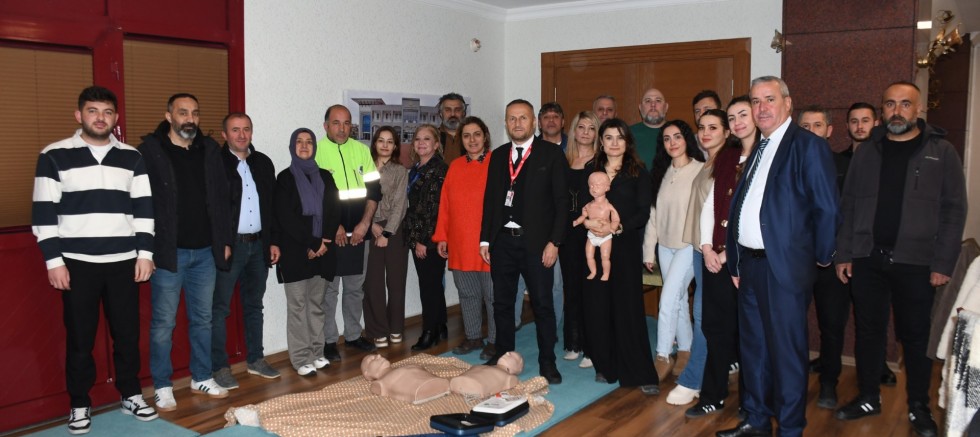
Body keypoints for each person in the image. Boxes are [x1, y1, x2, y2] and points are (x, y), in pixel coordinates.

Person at [835, 81, 967, 437]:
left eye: (905, 104)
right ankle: (868, 396)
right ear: (882, 111)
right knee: (869, 332)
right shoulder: (867, 151)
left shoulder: (942, 151)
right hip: (867, 258)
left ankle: (919, 407)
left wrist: (943, 263)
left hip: (917, 263)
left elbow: (955, 210)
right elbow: (848, 205)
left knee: (915, 336)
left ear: (918, 109)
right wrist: (844, 253)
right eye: (890, 104)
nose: (897, 111)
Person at [32, 86, 157, 434]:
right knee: (80, 339)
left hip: (123, 262)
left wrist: (145, 254)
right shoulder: (54, 155)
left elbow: (144, 209)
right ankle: (79, 403)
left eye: (107, 112)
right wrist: (53, 262)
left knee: (127, 335)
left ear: (115, 118)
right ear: (79, 115)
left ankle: (131, 395)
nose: (100, 118)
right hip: (77, 263)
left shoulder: (132, 157)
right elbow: (43, 212)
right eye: (92, 110)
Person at [719, 76, 839, 437]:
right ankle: (756, 420)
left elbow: (827, 208)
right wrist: (736, 260)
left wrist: (820, 257)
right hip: (750, 267)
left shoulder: (807, 146)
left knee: (786, 354)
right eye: (755, 101)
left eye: (769, 99)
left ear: (788, 103)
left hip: (784, 269)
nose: (761, 108)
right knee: (753, 349)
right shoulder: (759, 147)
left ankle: (789, 428)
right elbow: (744, 206)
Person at [140, 93, 233, 411]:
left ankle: (201, 376)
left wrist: (224, 240)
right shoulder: (151, 151)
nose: (190, 119)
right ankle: (162, 385)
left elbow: (221, 198)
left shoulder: (209, 150)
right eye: (183, 113)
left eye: (194, 113)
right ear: (169, 116)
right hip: (169, 252)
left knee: (203, 319)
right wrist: (146, 250)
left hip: (205, 252)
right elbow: (141, 203)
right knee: (163, 323)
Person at [480, 99, 568, 384]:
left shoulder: (551, 154)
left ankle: (547, 361)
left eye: (523, 118)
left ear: (534, 122)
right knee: (502, 303)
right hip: (503, 242)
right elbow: (491, 200)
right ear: (506, 123)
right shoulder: (498, 156)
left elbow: (562, 203)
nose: (517, 123)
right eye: (512, 118)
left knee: (542, 304)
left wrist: (554, 242)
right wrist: (485, 240)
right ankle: (504, 354)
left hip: (537, 245)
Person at [582, 118, 658, 395]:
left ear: (628, 142)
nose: (614, 143)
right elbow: (579, 206)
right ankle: (606, 364)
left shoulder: (638, 171)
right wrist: (589, 223)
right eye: (609, 137)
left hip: (624, 248)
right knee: (598, 307)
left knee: (628, 309)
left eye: (620, 137)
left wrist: (617, 227)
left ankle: (640, 372)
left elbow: (643, 212)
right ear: (601, 142)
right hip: (593, 246)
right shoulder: (591, 170)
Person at [211, 113, 281, 390]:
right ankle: (219, 366)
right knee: (219, 309)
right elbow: (213, 209)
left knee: (254, 305)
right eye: (235, 130)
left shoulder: (263, 163)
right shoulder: (215, 163)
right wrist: (221, 243)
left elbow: (272, 206)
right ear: (224, 134)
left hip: (259, 245)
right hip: (231, 247)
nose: (242, 135)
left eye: (246, 129)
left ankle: (256, 359)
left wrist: (273, 241)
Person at [684, 107, 744, 416]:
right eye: (702, 127)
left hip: (737, 256)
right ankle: (713, 394)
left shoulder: (737, 159)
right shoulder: (715, 161)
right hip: (712, 253)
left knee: (741, 329)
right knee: (713, 325)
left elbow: (742, 213)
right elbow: (709, 207)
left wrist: (724, 252)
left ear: (727, 132)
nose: (706, 133)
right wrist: (708, 249)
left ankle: (750, 404)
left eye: (714, 127)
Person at [314, 104, 382, 359]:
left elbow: (374, 192)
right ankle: (329, 341)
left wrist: (365, 223)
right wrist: (334, 226)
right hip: (331, 236)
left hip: (360, 234)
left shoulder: (361, 150)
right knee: (329, 291)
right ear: (326, 126)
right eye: (336, 123)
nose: (342, 129)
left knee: (355, 288)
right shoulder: (316, 152)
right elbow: (315, 197)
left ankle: (353, 335)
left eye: (346, 123)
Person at [274, 128, 341, 376]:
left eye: (309, 142)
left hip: (323, 250)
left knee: (316, 304)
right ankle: (301, 357)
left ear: (314, 147)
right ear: (292, 146)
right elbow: (285, 217)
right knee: (298, 307)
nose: (304, 146)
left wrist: (323, 243)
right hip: (295, 252)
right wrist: (312, 243)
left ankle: (316, 352)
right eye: (299, 142)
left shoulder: (325, 176)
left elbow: (334, 210)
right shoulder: (284, 178)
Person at [643, 119, 705, 382]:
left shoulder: (701, 170)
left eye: (677, 136)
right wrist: (649, 251)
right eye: (667, 139)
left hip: (688, 246)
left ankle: (662, 355)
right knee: (677, 299)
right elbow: (653, 216)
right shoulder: (661, 172)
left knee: (667, 300)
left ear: (687, 139)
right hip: (665, 247)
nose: (672, 143)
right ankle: (686, 351)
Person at [434, 116, 496, 359]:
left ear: (485, 137)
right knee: (468, 294)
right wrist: (442, 236)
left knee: (492, 296)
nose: (472, 140)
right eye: (467, 136)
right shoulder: (455, 166)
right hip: (460, 242)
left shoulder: (497, 163)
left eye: (476, 134)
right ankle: (473, 337)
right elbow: (445, 205)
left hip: (489, 244)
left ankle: (495, 341)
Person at [559, 111, 600, 368]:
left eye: (591, 128)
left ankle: (591, 347)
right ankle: (573, 342)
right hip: (568, 232)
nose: (585, 132)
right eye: (581, 127)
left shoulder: (600, 163)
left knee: (590, 289)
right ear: (573, 131)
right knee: (571, 287)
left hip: (591, 233)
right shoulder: (564, 161)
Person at [363, 126, 409, 348]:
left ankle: (396, 327)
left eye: (390, 141)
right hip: (369, 227)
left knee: (396, 281)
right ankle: (377, 329)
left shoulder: (400, 171)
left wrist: (387, 233)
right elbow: (359, 199)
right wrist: (370, 224)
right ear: (374, 143)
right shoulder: (364, 167)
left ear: (395, 146)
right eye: (381, 140)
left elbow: (400, 204)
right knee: (373, 283)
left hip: (395, 229)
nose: (385, 145)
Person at [405, 124, 449, 351]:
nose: (421, 143)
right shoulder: (416, 169)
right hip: (417, 235)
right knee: (433, 284)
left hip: (430, 239)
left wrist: (424, 239)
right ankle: (440, 324)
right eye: (418, 139)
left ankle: (429, 332)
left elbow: (437, 208)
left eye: (427, 139)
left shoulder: (439, 169)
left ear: (436, 144)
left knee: (428, 287)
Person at [573, 172, 619, 281]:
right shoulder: (588, 205)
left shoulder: (608, 206)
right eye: (591, 185)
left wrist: (612, 228)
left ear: (607, 187)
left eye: (598, 185)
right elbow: (583, 216)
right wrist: (578, 221)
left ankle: (605, 273)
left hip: (605, 237)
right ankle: (593, 271)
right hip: (591, 235)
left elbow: (616, 219)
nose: (594, 188)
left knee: (605, 257)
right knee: (589, 255)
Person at [630, 88, 669, 168]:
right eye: (648, 101)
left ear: (666, 107)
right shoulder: (627, 133)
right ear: (640, 108)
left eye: (658, 100)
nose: (653, 104)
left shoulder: (679, 133)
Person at [437, 92, 466, 163]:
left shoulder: (472, 138)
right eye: (448, 110)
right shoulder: (432, 137)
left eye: (457, 110)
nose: (453, 114)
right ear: (440, 114)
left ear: (464, 113)